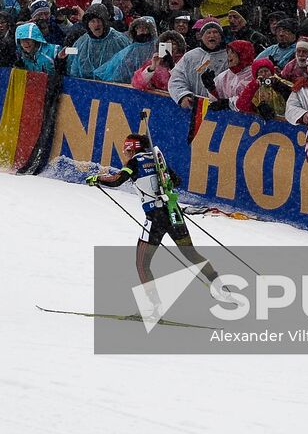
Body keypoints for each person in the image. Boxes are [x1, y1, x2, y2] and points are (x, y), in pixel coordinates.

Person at [86, 131, 219, 323]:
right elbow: (176, 181)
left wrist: (97, 179)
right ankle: (219, 285)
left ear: (132, 147)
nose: (125, 152)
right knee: (191, 254)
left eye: (127, 148)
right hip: (174, 215)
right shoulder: (157, 159)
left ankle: (153, 308)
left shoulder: (135, 163)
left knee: (142, 264)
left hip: (155, 218)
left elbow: (117, 180)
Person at [167, 18, 230, 109]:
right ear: (201, 37)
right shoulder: (190, 56)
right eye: (208, 32)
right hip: (192, 108)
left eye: (215, 32)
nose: (212, 35)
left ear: (221, 36)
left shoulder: (229, 57)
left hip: (218, 111)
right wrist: (182, 96)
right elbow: (177, 78)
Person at [67, 6, 131, 79]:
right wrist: (59, 59)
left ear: (105, 22)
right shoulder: (80, 43)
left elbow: (127, 69)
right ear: (88, 24)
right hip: (85, 87)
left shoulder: (120, 41)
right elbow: (70, 63)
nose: (96, 24)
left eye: (99, 20)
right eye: (92, 21)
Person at [96, 16, 159, 84]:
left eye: (145, 27)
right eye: (138, 27)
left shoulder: (156, 48)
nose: (142, 30)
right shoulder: (129, 50)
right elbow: (117, 72)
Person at [202, 40, 256, 110]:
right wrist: (211, 88)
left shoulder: (254, 74)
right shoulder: (223, 76)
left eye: (232, 52)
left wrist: (227, 103)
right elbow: (215, 102)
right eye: (228, 52)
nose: (229, 55)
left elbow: (250, 100)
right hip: (227, 118)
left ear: (243, 54)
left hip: (250, 119)